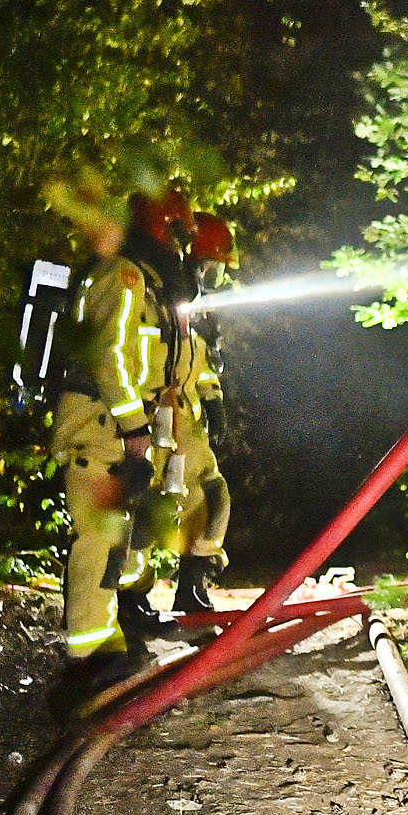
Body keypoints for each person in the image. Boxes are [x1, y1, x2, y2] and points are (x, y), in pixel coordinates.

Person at [48, 188, 197, 714]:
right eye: (179, 236)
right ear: (161, 231)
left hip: (115, 424)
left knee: (118, 534)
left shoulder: (146, 281)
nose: (184, 249)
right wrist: (134, 422)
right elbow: (109, 356)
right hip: (98, 422)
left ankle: (112, 638)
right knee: (96, 535)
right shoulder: (123, 276)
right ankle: (85, 663)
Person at [169, 212, 236, 614]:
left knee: (206, 498)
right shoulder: (164, 304)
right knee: (208, 497)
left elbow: (200, 369)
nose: (217, 283)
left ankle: (189, 586)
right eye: (213, 271)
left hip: (181, 421)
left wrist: (214, 402)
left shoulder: (192, 314)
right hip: (161, 420)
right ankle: (187, 586)